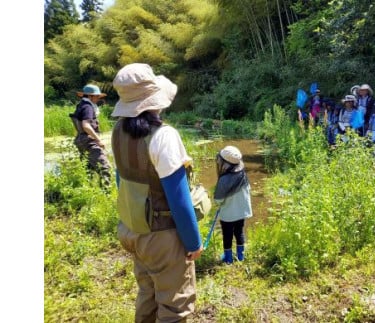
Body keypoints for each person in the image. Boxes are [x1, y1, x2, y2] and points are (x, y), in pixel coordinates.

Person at [111, 63, 203, 322]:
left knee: (148, 293)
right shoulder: (164, 136)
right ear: (154, 100)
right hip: (161, 237)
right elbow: (179, 198)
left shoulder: (118, 132)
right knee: (175, 306)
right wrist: (194, 242)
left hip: (132, 230)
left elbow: (123, 181)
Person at [214, 146, 253, 264]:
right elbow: (248, 190)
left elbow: (218, 200)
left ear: (224, 164)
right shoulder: (243, 175)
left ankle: (228, 258)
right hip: (241, 213)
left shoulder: (224, 180)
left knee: (227, 235)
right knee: (239, 232)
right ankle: (241, 256)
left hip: (228, 216)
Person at [70, 84, 112, 188]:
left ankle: (89, 190)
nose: (98, 98)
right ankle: (106, 194)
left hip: (81, 140)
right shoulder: (88, 107)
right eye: (96, 96)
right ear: (89, 96)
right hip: (89, 141)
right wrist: (98, 140)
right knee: (104, 167)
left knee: (88, 167)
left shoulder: (81, 105)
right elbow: (86, 126)